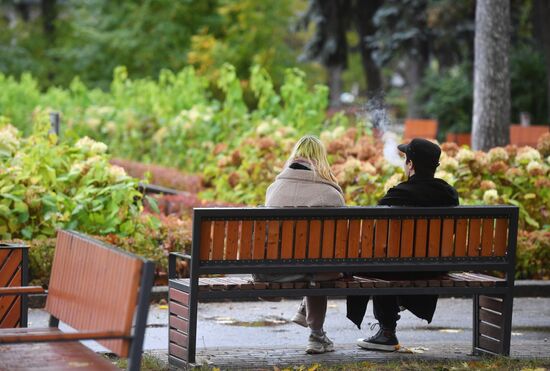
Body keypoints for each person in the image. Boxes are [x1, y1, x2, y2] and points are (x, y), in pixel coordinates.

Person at [347, 138, 459, 352]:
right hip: (435, 268)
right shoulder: (449, 194)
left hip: (398, 268)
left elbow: (376, 233)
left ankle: (387, 332)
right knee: (389, 261)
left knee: (380, 263)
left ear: (411, 165)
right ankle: (398, 308)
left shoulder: (398, 194)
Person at [252, 135, 345, 354]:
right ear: (321, 160)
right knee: (320, 264)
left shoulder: (274, 190)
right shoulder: (331, 195)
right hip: (316, 271)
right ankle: (316, 335)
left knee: (315, 263)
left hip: (275, 271)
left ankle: (309, 318)